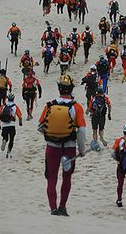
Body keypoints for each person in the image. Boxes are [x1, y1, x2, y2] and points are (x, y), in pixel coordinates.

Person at [38, 75, 86, 216]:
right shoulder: (76, 106)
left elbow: (40, 127)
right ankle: (62, 207)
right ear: (71, 89)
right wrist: (82, 149)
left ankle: (53, 208)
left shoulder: (49, 105)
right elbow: (82, 130)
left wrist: (51, 136)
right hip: (69, 147)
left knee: (51, 178)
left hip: (51, 147)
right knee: (67, 178)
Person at [0, 93, 23, 158]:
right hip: (12, 125)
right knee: (11, 140)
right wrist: (20, 122)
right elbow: (20, 116)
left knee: (5, 137)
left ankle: (4, 140)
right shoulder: (15, 106)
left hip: (4, 125)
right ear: (13, 98)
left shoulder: (3, 106)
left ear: (7, 98)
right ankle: (8, 153)